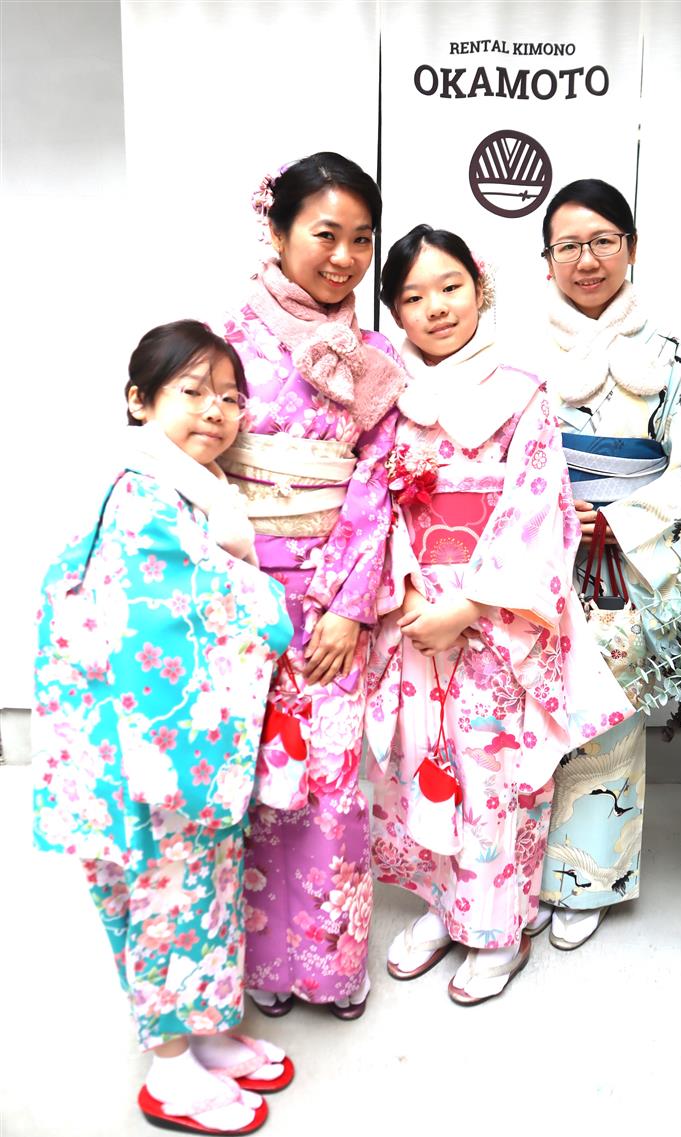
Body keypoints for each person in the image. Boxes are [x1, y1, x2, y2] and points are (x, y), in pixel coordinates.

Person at [33, 321, 296, 1137]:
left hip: (173, 742)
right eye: (193, 392)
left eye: (230, 398)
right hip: (145, 751)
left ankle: (206, 1034)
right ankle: (171, 1069)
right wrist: (271, 607)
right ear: (139, 400)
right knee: (164, 896)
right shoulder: (141, 493)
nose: (216, 411)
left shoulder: (188, 488)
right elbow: (183, 611)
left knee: (204, 890)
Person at [364, 225, 634, 1006]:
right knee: (423, 760)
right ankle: (443, 907)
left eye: (450, 286)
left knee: (492, 772)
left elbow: (538, 509)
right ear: (395, 312)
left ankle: (498, 930)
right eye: (413, 296)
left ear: (479, 289)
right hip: (415, 611)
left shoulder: (522, 391)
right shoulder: (390, 402)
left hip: (493, 614)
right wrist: (409, 593)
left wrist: (471, 604)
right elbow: (374, 506)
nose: (435, 307)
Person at [217, 153, 404, 1020]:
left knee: (331, 781)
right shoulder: (226, 340)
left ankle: (329, 964)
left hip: (332, 600)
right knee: (253, 779)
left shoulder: (373, 357)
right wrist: (230, 584)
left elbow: (379, 482)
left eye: (362, 239)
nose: (345, 257)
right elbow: (197, 458)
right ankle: (263, 956)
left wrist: (347, 608)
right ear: (278, 230)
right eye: (326, 233)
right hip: (240, 592)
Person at [533, 179, 681, 950]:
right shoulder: (516, 351)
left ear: (631, 248)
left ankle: (587, 879)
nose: (587, 260)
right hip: (537, 559)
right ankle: (518, 871)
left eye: (603, 241)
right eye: (569, 245)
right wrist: (549, 510)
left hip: (620, 562)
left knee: (606, 714)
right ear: (547, 259)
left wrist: (618, 521)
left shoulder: (669, 353)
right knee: (525, 712)